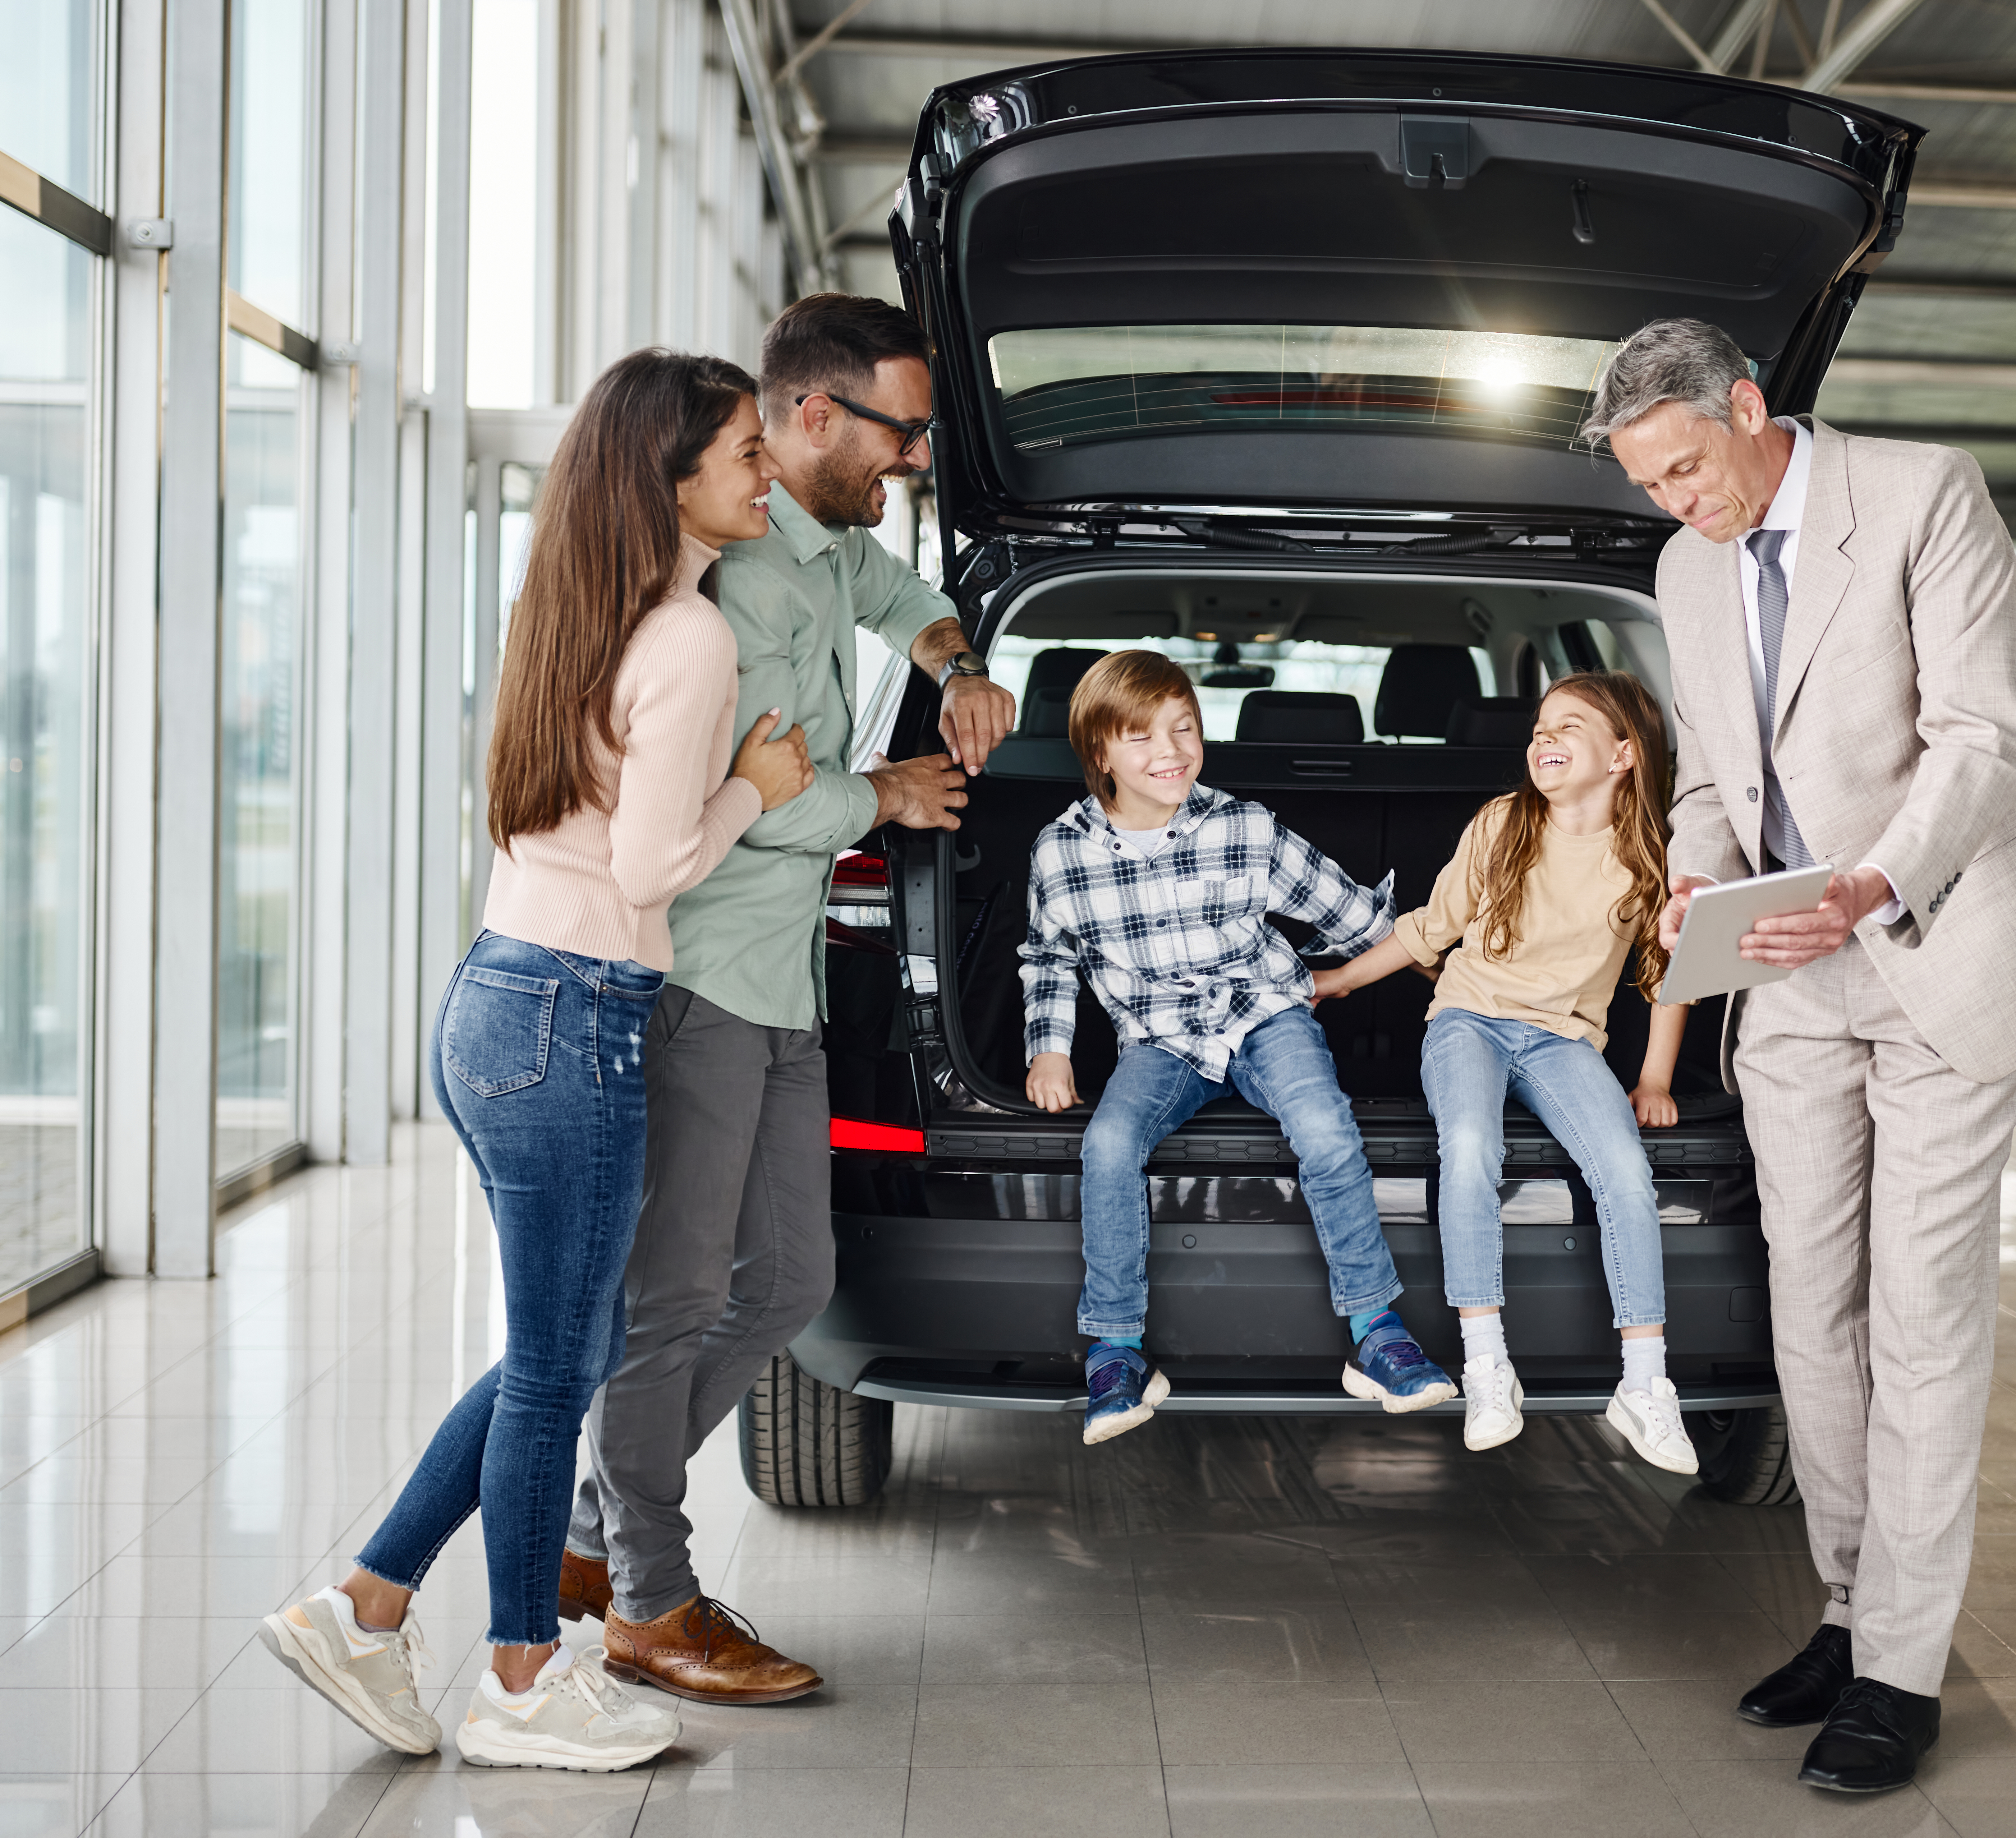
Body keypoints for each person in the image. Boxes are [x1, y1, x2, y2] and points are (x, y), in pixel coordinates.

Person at [257, 350, 815, 1771]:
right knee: (560, 1361)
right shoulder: (689, 638)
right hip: (577, 1015)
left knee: (548, 1354)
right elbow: (648, 867)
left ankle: (368, 1604)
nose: (767, 472)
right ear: (673, 477)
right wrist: (759, 787)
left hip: (498, 1001)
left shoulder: (573, 607)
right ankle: (518, 1678)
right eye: (747, 452)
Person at [1593, 319, 2016, 1794]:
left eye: (1688, 467)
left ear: (1747, 408)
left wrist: (1867, 883)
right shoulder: (1686, 568)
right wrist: (1689, 881)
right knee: (1811, 1307)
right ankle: (1841, 1604)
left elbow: (1988, 742)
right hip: (1785, 974)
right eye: (1650, 486)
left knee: (1920, 1314)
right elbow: (1707, 779)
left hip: (1935, 946)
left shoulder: (1926, 494)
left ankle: (1898, 1669)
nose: (1679, 503)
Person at [555, 295, 1013, 1704]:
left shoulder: (824, 548)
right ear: (814, 417)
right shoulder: (730, 591)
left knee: (793, 1283)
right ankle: (650, 1597)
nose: (917, 458)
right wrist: (881, 791)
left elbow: (900, 598)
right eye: (904, 429)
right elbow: (727, 804)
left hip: (783, 985)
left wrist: (959, 664)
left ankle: (587, 1533)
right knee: (679, 1298)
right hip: (697, 982)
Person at [1021, 649, 1457, 1443]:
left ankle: (1376, 1331)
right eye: (1143, 737)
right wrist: (1049, 1050)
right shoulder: (1061, 852)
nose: (1172, 752)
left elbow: (1355, 916)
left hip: (1266, 1016)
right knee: (1110, 1142)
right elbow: (1049, 958)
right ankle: (1116, 1349)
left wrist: (1451, 952)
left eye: (1185, 728)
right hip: (1157, 1039)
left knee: (1325, 1129)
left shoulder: (1243, 827)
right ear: (1099, 754)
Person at [1309, 672, 1699, 1470]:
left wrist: (1654, 1079)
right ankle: (1487, 1364)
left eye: (1569, 727)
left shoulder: (1649, 855)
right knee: (1470, 1147)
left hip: (1564, 1040)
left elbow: (1669, 971)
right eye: (1538, 728)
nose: (1543, 739)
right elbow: (1430, 927)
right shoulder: (1506, 823)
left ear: (1624, 755)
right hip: (1469, 1020)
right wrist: (1339, 980)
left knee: (1626, 1169)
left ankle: (1645, 1383)